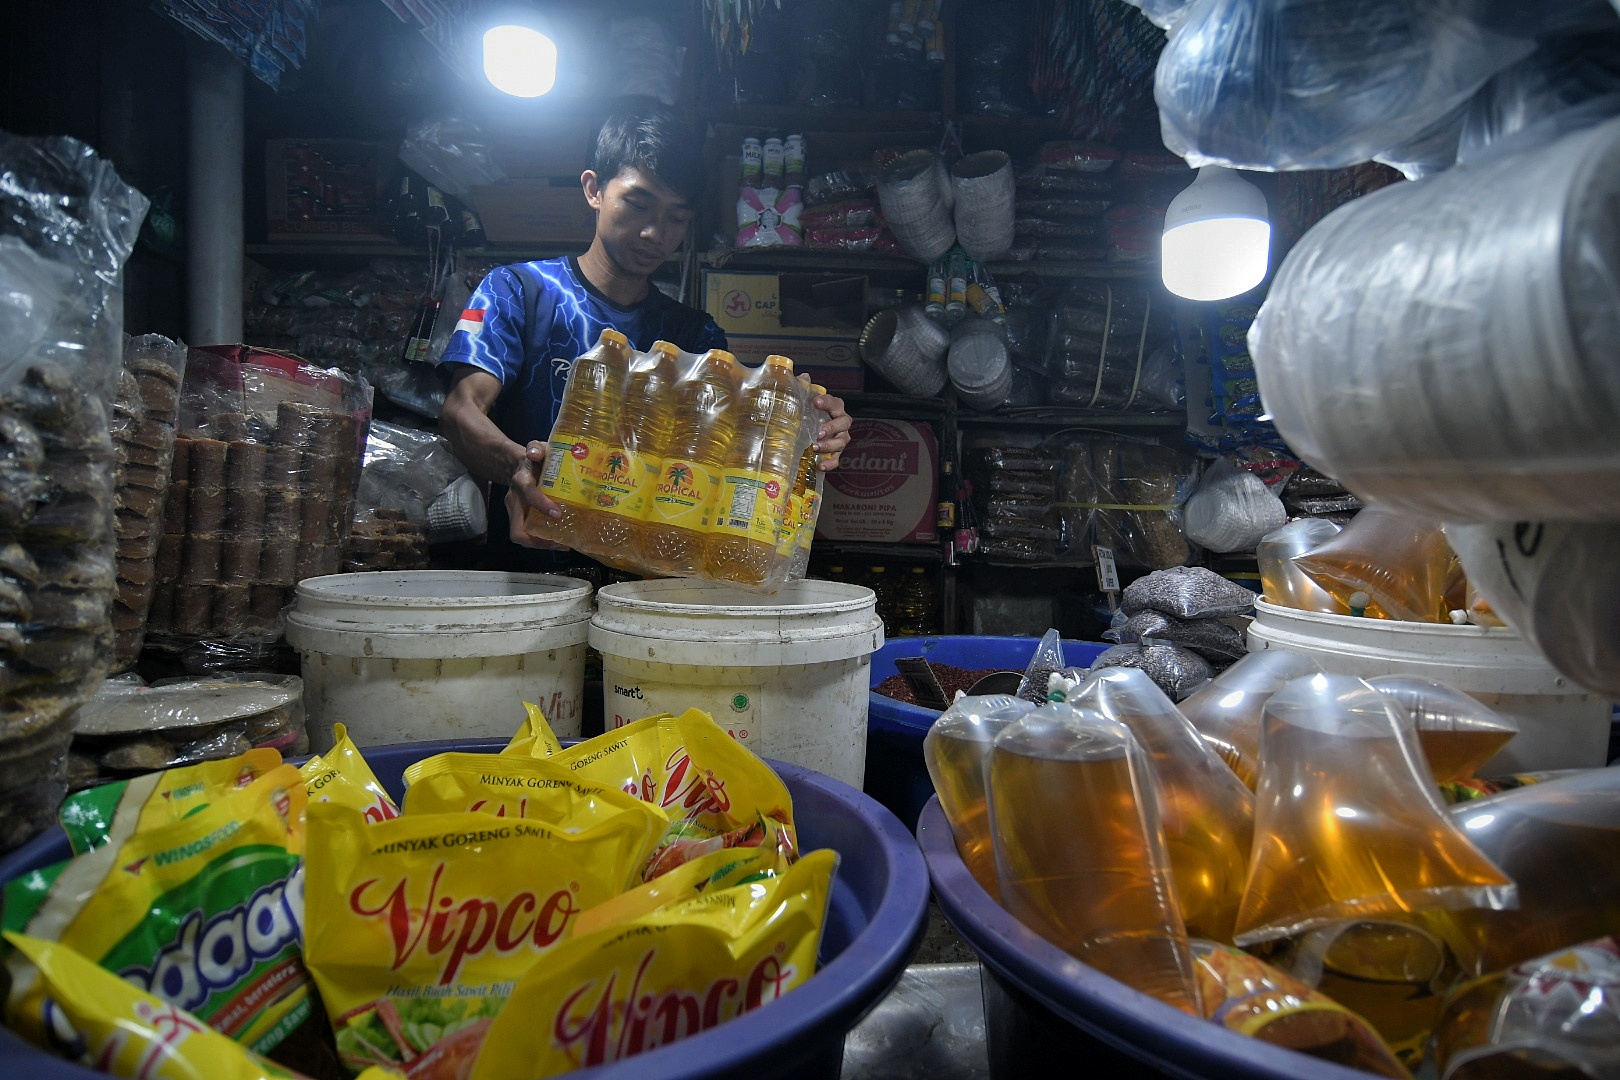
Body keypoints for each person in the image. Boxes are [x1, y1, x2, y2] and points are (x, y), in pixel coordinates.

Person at [437, 105, 854, 570]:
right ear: (594, 189)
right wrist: (518, 464)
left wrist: (809, 430)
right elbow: (461, 410)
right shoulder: (520, 291)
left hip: (648, 582)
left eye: (677, 218)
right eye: (638, 205)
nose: (655, 232)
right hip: (528, 571)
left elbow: (732, 453)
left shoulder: (696, 338)